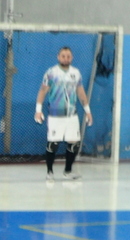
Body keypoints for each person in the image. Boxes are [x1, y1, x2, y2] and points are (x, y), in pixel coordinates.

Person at [34, 46, 93, 181]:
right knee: (53, 143)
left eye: (68, 56)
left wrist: (88, 111)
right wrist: (38, 110)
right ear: (58, 57)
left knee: (74, 143)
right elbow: (43, 91)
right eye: (63, 56)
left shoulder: (76, 73)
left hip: (72, 115)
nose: (66, 58)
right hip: (55, 115)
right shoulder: (51, 73)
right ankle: (49, 172)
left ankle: (68, 171)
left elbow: (81, 92)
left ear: (72, 58)